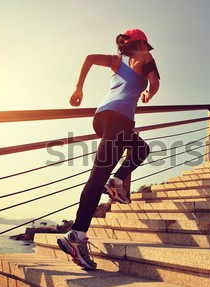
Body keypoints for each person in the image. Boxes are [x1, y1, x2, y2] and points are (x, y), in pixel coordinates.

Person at [57, 29, 160, 270]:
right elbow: (155, 83)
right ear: (143, 43)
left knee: (141, 149)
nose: (147, 48)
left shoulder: (117, 61)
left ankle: (116, 182)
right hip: (119, 120)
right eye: (146, 44)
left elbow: (90, 58)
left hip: (101, 117)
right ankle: (77, 236)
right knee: (97, 177)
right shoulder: (145, 57)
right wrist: (149, 93)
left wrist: (78, 88)